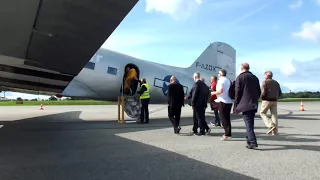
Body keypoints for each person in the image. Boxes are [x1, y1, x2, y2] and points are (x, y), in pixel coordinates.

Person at [234, 63, 261, 149]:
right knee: (250, 123)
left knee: (248, 123)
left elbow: (237, 92)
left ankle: (252, 142)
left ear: (241, 68)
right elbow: (259, 91)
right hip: (253, 103)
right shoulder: (255, 77)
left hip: (245, 104)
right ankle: (249, 140)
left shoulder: (240, 77)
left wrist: (236, 104)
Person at [211, 69, 233, 140]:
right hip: (228, 101)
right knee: (227, 118)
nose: (217, 75)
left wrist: (212, 93)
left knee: (223, 119)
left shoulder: (221, 81)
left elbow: (220, 91)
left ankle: (227, 135)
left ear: (220, 74)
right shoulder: (228, 80)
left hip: (223, 101)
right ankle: (228, 133)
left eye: (218, 73)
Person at [260, 71, 282, 135]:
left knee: (262, 113)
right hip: (274, 100)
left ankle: (270, 125)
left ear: (266, 75)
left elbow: (263, 91)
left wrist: (261, 97)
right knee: (274, 115)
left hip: (267, 100)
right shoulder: (276, 82)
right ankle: (275, 132)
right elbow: (280, 92)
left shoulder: (265, 82)